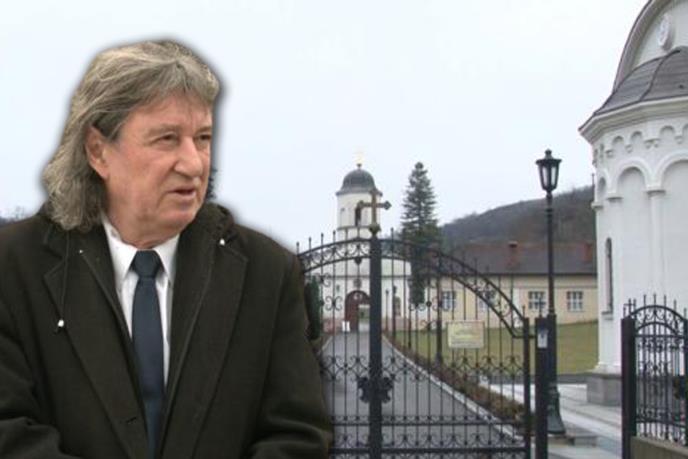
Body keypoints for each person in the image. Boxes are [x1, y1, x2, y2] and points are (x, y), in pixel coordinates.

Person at [0, 40, 332, 458]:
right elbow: (8, 432)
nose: (194, 163)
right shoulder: (14, 268)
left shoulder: (266, 273)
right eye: (167, 139)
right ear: (98, 151)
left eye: (203, 138)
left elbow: (298, 436)